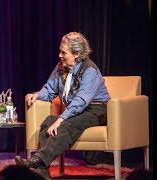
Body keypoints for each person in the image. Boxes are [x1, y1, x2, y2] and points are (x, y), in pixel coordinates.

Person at [14, 32, 111, 180]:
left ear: (77, 54)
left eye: (63, 52)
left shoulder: (90, 70)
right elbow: (50, 89)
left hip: (96, 110)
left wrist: (61, 119)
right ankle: (43, 171)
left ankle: (37, 160)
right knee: (48, 122)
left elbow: (80, 101)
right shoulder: (61, 67)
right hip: (77, 110)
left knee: (65, 124)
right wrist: (38, 95)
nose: (60, 55)